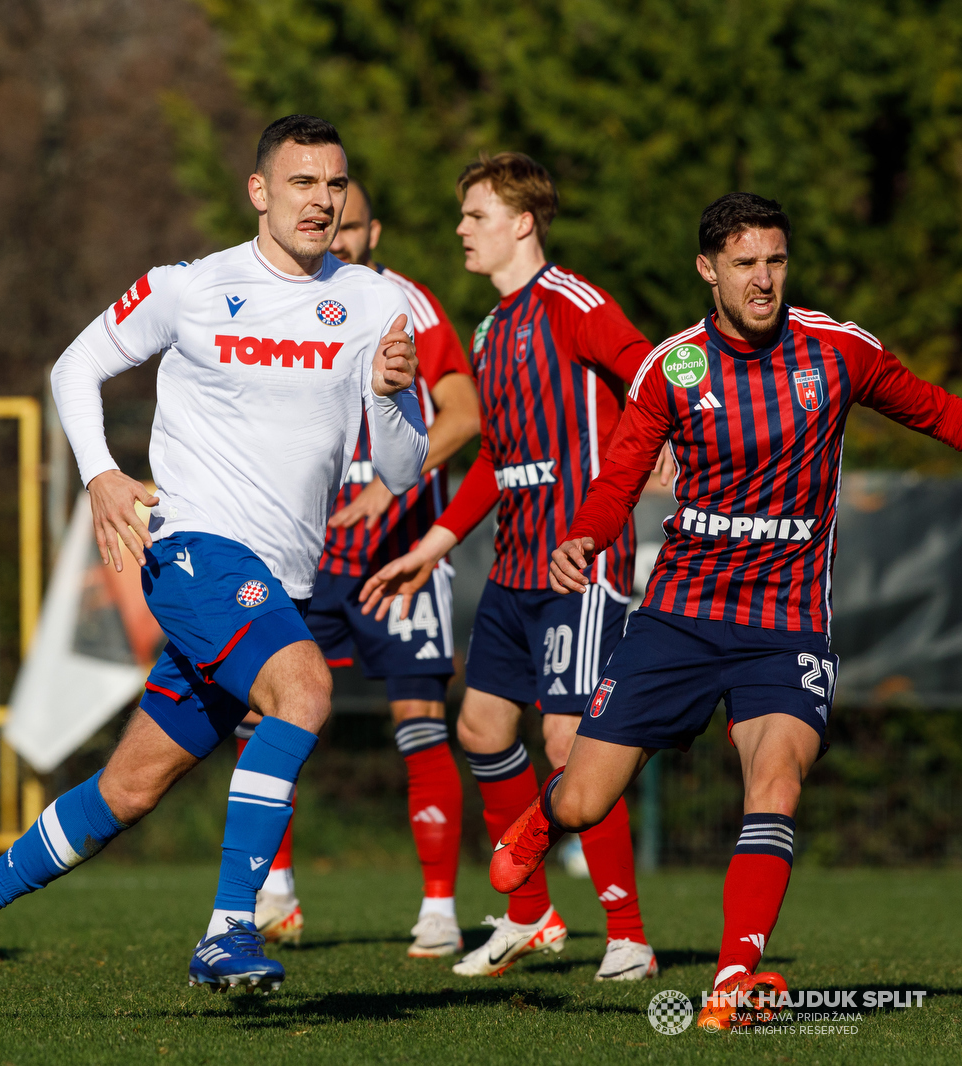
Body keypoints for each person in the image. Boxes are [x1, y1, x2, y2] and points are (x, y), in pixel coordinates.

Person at [0, 115, 428, 1015]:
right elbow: (74, 369)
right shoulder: (191, 288)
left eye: (334, 185)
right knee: (303, 693)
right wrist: (101, 475)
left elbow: (408, 469)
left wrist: (395, 398)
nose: (321, 200)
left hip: (279, 579)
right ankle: (230, 925)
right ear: (259, 191)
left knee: (130, 787)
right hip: (190, 547)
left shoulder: (376, 303)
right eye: (302, 183)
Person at [496, 191, 962, 1028]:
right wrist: (584, 535)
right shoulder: (674, 366)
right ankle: (547, 808)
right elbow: (622, 475)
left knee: (774, 786)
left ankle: (733, 980)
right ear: (709, 270)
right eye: (745, 264)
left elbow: (933, 409)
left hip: (786, 625)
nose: (764, 280)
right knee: (584, 805)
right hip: (679, 618)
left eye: (775, 261)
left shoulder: (838, 353)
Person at [361, 152, 660, 980]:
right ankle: (529, 918)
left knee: (571, 742)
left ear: (522, 223)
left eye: (476, 214)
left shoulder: (575, 303)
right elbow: (496, 460)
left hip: (579, 566)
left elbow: (650, 377)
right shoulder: (493, 331)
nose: (461, 228)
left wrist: (654, 456)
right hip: (513, 570)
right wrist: (432, 546)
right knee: (481, 729)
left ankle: (628, 935)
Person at [234, 179, 480, 957]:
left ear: (372, 235)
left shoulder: (407, 303)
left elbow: (467, 413)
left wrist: (386, 487)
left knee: (419, 720)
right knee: (268, 714)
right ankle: (273, 896)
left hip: (397, 556)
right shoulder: (270, 300)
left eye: (351, 225)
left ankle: (439, 907)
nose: (334, 236)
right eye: (325, 221)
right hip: (299, 549)